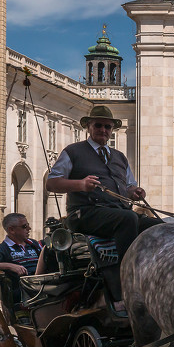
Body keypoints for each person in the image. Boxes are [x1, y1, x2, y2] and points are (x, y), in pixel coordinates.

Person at [45, 105, 155, 264]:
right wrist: (81, 184)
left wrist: (135, 192)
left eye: (107, 126)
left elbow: (129, 188)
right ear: (89, 127)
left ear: (112, 130)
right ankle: (128, 270)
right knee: (128, 218)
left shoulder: (120, 157)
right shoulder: (73, 151)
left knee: (158, 225)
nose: (103, 129)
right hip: (85, 214)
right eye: (98, 125)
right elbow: (51, 183)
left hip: (118, 213)